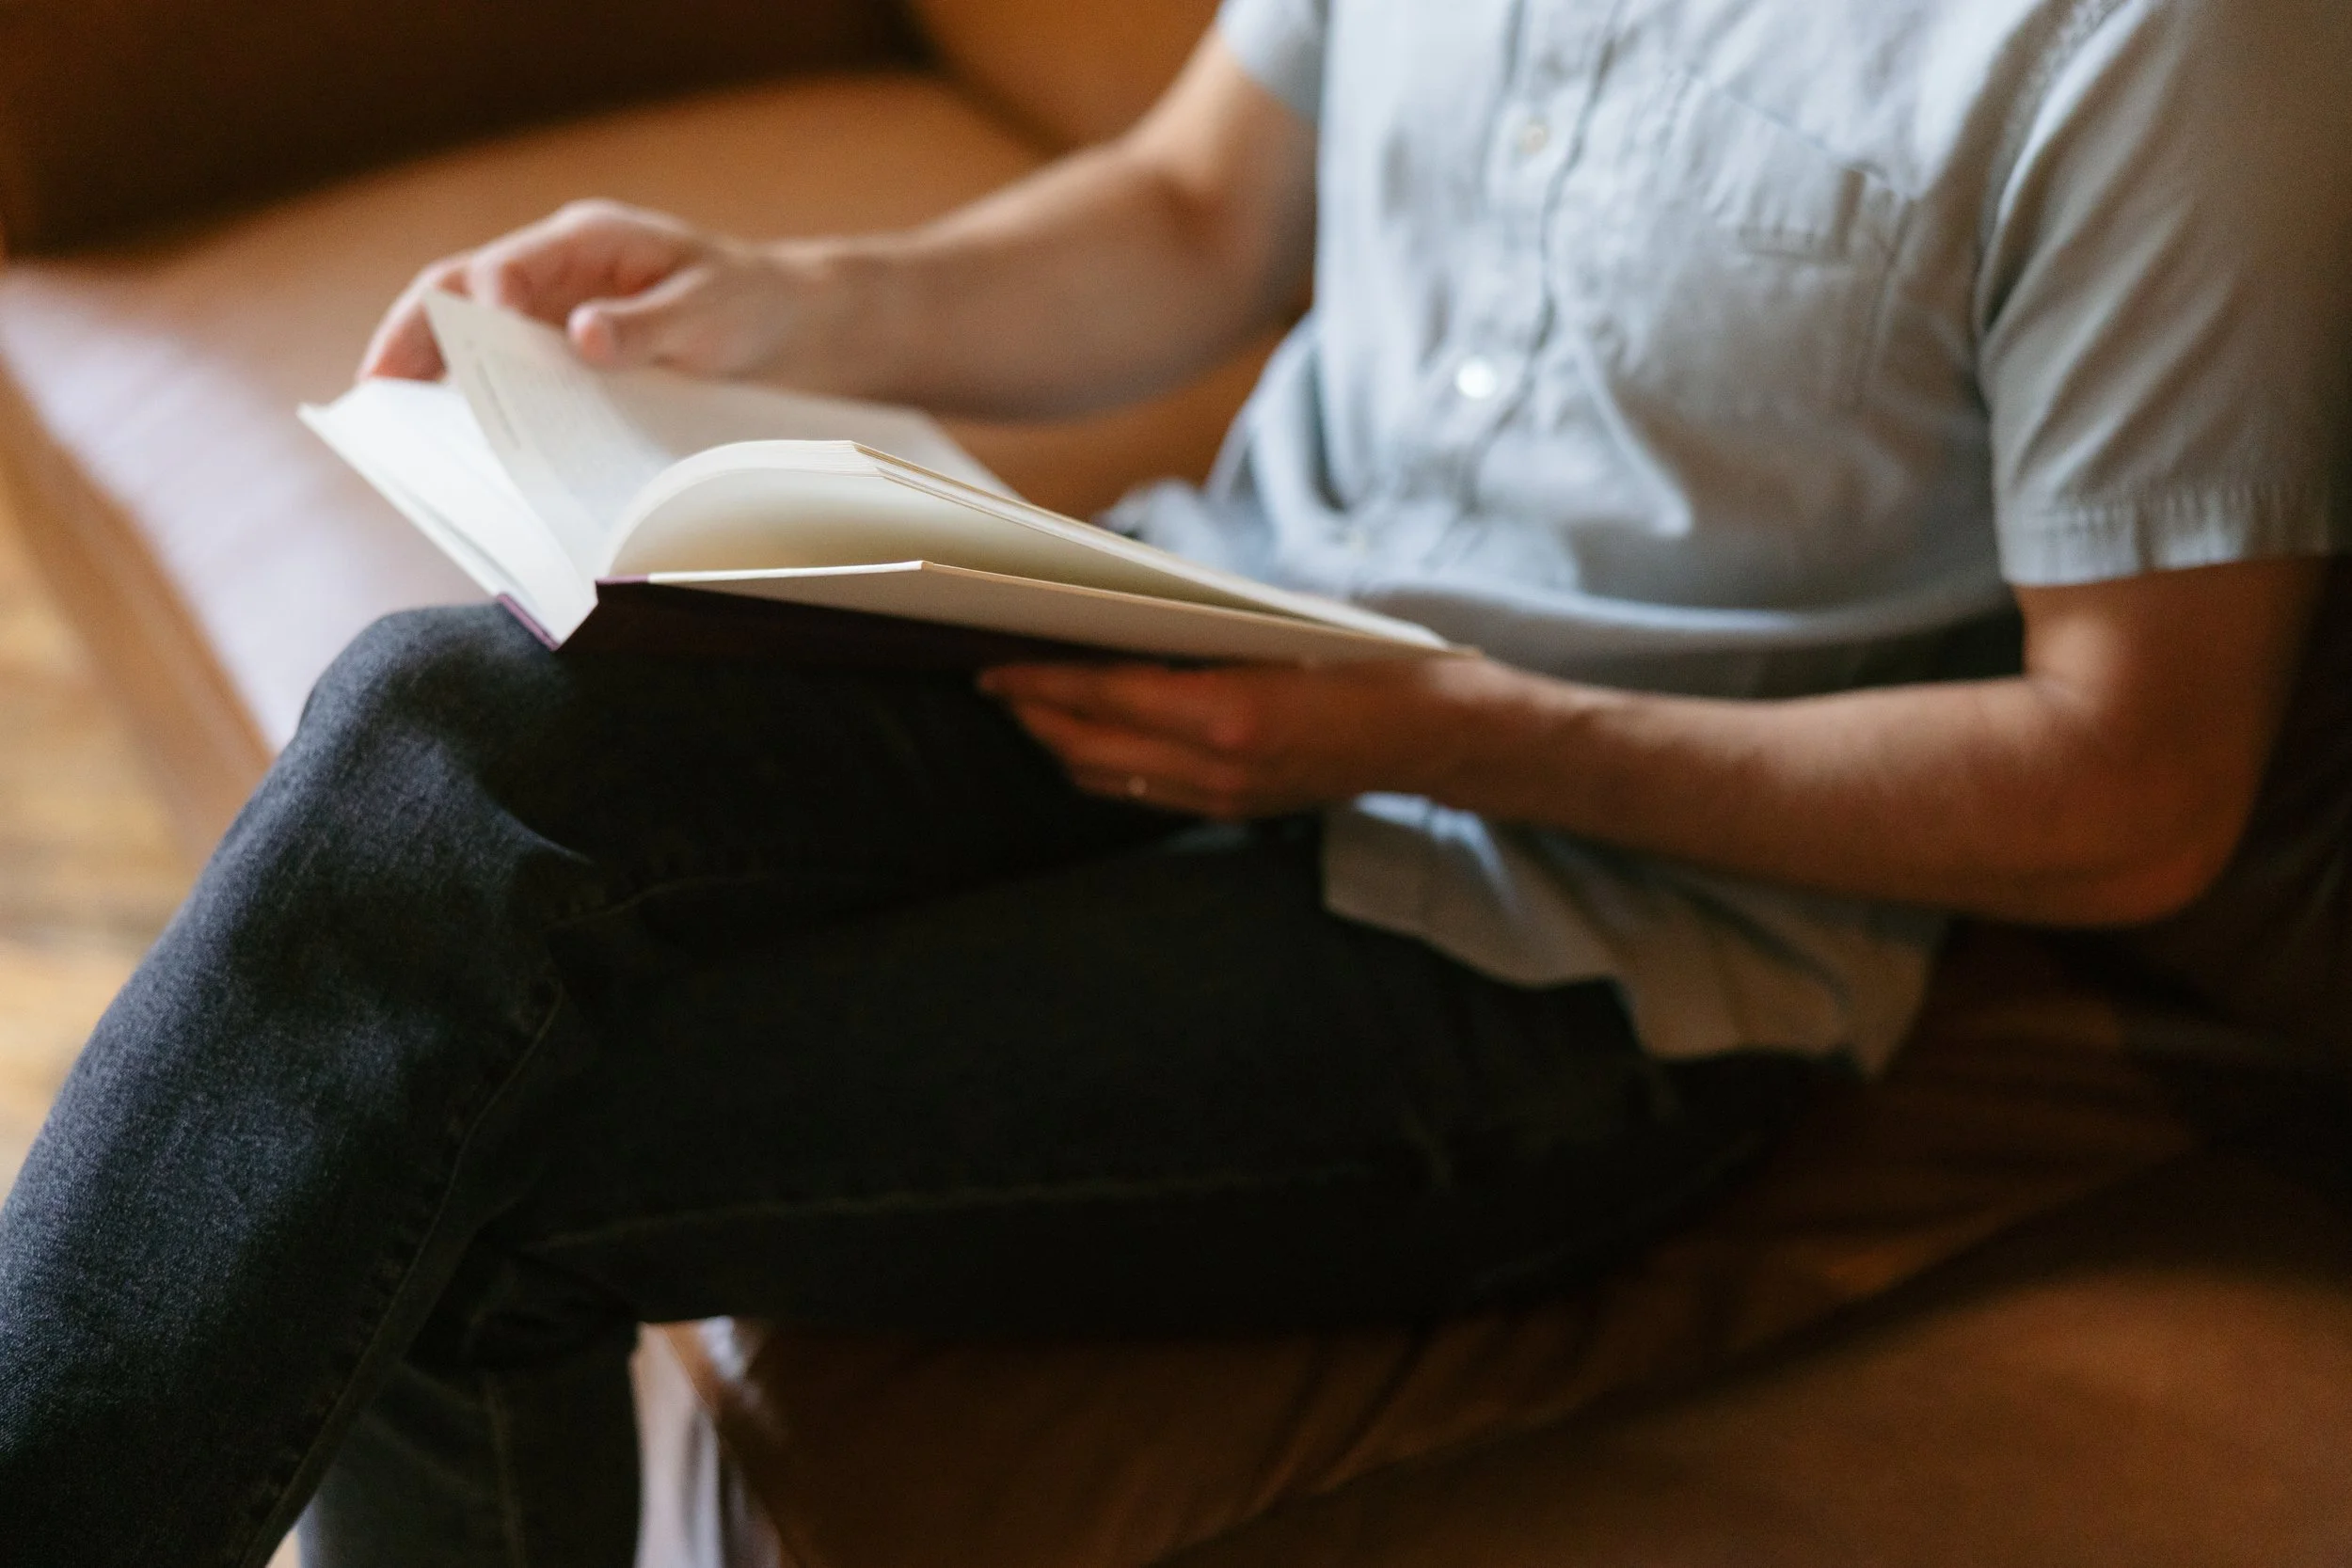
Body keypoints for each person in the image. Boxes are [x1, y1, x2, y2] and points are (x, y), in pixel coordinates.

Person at [3, 0, 2347, 1562]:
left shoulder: (2180, 54)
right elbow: (1193, 213)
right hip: (1177, 624)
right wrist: (784, 299)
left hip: (1570, 937)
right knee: (445, 722)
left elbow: (2130, 782)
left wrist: (1448, 722)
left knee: (462, 1160)